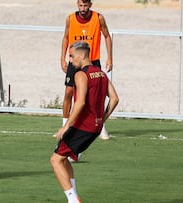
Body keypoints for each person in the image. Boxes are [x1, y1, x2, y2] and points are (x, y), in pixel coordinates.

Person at [51, 41, 119, 203]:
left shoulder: (81, 75)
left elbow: (80, 103)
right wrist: (102, 119)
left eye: (72, 56)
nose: (70, 60)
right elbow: (115, 99)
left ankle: (72, 199)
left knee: (55, 160)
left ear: (82, 55)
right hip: (95, 127)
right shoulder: (101, 74)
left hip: (83, 126)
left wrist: (65, 126)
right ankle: (74, 195)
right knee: (64, 158)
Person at [61, 0, 113, 142]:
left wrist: (110, 58)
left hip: (93, 61)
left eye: (85, 5)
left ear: (90, 4)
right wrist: (62, 58)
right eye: (80, 5)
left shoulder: (98, 18)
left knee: (98, 94)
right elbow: (65, 37)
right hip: (75, 62)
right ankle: (65, 125)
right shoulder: (70, 19)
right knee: (68, 93)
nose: (82, 8)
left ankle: (101, 125)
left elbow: (107, 36)